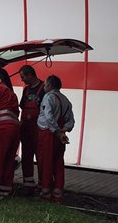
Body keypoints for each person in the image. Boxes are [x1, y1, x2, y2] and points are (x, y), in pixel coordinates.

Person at [36, 75, 75, 203]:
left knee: (46, 161)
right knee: (58, 162)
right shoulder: (66, 100)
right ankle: (58, 192)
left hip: (48, 133)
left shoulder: (48, 97)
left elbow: (48, 116)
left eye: (45, 84)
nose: (44, 86)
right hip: (59, 136)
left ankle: (46, 191)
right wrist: (64, 130)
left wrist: (57, 131)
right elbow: (71, 121)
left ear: (50, 85)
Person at [18, 65, 45, 195]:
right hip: (26, 130)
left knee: (41, 158)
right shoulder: (26, 90)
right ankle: (28, 185)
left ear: (30, 75)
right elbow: (22, 107)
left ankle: (43, 185)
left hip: (39, 130)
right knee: (26, 157)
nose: (22, 80)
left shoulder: (44, 88)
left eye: (23, 77)